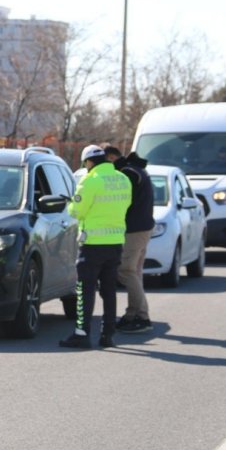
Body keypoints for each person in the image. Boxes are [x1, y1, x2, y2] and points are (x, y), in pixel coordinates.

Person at [60, 144, 131, 349]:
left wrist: (71, 203)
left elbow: (77, 211)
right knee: (109, 290)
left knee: (85, 290)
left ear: (88, 162)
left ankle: (82, 334)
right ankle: (108, 334)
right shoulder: (123, 179)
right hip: (116, 242)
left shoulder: (90, 181)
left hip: (92, 244)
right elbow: (126, 205)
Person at [104, 145, 155, 333]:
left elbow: (123, 201)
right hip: (142, 227)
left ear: (110, 157)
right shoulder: (136, 169)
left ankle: (142, 317)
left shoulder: (128, 173)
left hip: (135, 229)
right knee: (134, 272)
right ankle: (132, 314)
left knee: (126, 270)